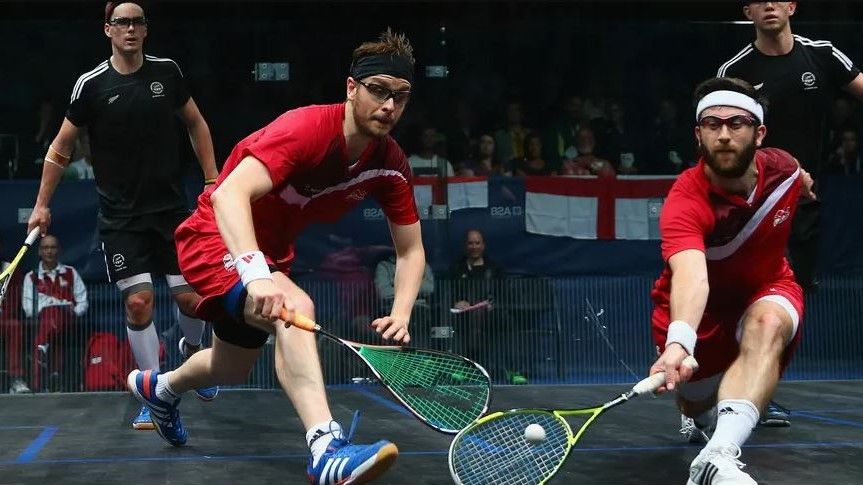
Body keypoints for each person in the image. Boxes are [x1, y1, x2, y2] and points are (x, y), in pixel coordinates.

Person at [126, 29, 426, 484]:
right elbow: (229, 196)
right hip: (216, 239)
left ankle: (160, 388)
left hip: (266, 257)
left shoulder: (389, 164)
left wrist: (401, 312)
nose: (388, 105)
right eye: (378, 91)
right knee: (295, 309)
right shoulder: (306, 129)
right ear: (351, 88)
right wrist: (256, 274)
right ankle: (326, 448)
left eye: (400, 96)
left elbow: (411, 249)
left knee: (231, 366)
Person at [26, 2, 220, 428]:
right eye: (122, 23)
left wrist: (211, 179)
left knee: (190, 298)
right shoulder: (90, 85)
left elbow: (196, 123)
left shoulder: (167, 72)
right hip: (121, 218)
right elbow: (60, 148)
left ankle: (193, 352)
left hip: (172, 210)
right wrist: (41, 204)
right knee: (137, 303)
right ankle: (155, 396)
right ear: (108, 30)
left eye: (137, 22)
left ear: (145, 30)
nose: (130, 29)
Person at [649, 77, 815, 484]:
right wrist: (679, 343)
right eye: (712, 124)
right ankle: (702, 419)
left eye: (737, 123)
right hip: (701, 313)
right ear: (698, 134)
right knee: (696, 406)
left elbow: (802, 180)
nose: (724, 134)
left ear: (759, 134)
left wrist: (807, 188)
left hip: (767, 288)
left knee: (769, 324)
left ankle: (717, 460)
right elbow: (692, 275)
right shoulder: (685, 200)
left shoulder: (786, 169)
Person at [717, 0, 863, 428]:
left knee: (789, 302)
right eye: (758, 1)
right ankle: (725, 393)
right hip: (751, 204)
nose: (769, 6)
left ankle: (759, 394)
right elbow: (726, 142)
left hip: (802, 208)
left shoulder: (822, 54)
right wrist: (787, 171)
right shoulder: (735, 71)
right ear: (747, 12)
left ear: (792, 6)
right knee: (745, 298)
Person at [22, 235, 88, 392]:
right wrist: (57, 304)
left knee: (54, 313)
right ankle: (53, 377)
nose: (49, 251)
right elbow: (28, 308)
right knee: (51, 314)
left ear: (59, 250)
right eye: (45, 248)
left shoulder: (70, 273)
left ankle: (41, 348)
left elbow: (82, 303)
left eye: (52, 247)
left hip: (69, 323)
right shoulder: (31, 277)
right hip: (41, 323)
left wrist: (70, 311)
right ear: (39, 251)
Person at [0, 234, 31, 394]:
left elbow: (13, 303)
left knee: (14, 326)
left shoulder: (10, 269)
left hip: (3, 319)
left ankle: (15, 379)